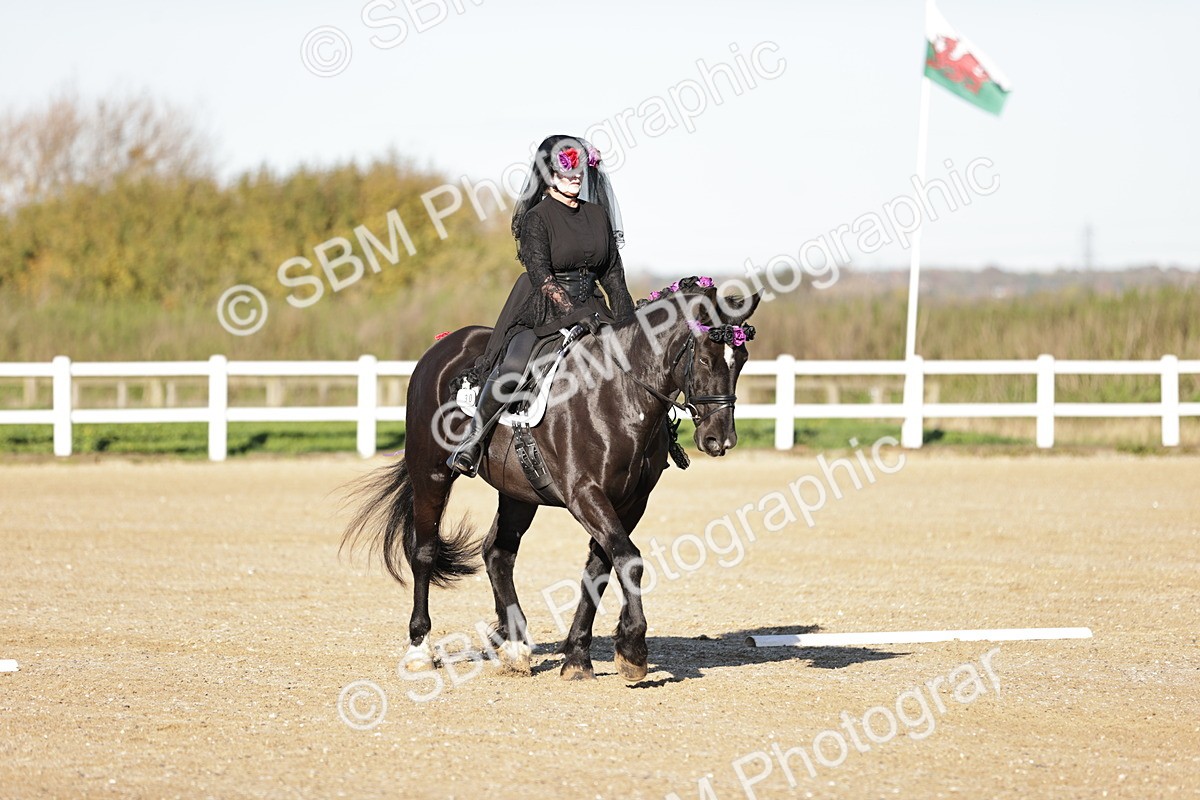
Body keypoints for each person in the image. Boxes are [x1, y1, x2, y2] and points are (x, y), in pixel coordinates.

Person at [447, 134, 635, 477]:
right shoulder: (538, 218)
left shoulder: (597, 215)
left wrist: (629, 324)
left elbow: (612, 276)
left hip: (592, 306)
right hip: (543, 307)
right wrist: (575, 313)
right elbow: (541, 276)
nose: (576, 176)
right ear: (548, 174)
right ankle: (471, 442)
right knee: (515, 367)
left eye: (580, 169)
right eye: (567, 170)